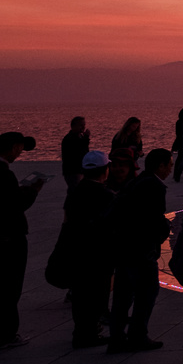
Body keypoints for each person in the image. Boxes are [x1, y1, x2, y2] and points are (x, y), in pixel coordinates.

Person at [0, 132, 43, 349]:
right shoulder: (3, 174)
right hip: (8, 239)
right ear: (13, 147)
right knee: (8, 289)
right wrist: (31, 191)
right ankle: (4, 334)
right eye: (20, 149)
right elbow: (14, 205)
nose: (19, 153)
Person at [107, 148, 172, 352]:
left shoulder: (135, 182)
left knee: (123, 295)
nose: (171, 169)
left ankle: (116, 338)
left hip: (124, 247)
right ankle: (137, 335)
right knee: (147, 292)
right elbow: (153, 219)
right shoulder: (154, 186)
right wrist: (163, 232)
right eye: (169, 165)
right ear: (160, 166)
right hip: (141, 248)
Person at [57, 149, 115, 348]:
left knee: (81, 295)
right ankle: (88, 333)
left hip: (77, 250)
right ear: (105, 169)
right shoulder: (105, 195)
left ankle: (82, 331)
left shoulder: (77, 191)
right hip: (97, 253)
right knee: (96, 294)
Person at [61, 116, 90, 189]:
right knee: (75, 190)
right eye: (81, 125)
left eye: (84, 125)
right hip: (73, 171)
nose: (83, 127)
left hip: (78, 170)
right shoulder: (70, 138)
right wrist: (86, 138)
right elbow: (80, 151)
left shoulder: (79, 137)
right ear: (73, 126)